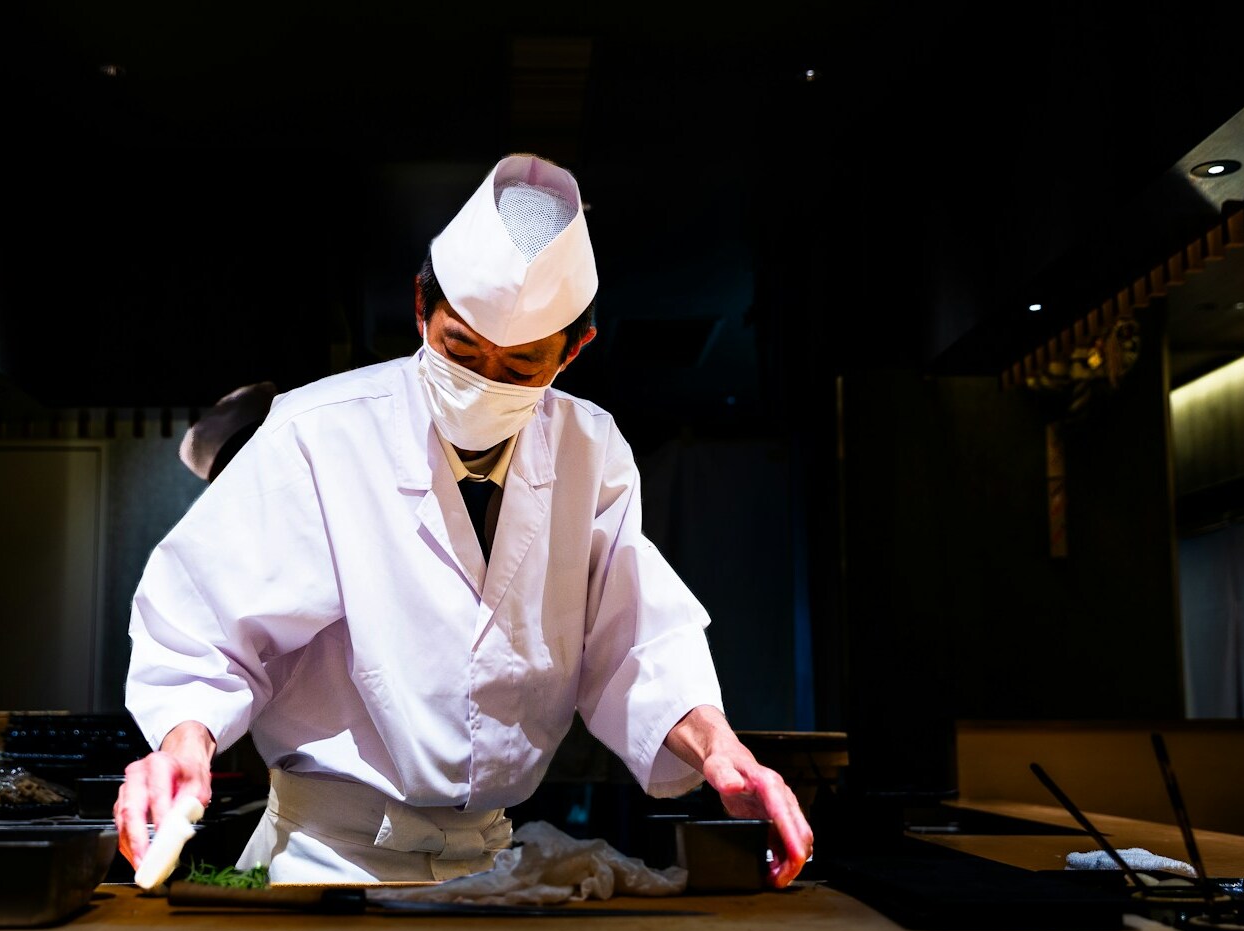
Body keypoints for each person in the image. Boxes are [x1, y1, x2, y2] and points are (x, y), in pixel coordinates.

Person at [115, 153, 813, 888]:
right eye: (460, 349)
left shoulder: (590, 447)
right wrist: (183, 743)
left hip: (485, 862)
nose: (484, 382)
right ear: (422, 308)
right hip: (324, 859)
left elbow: (632, 636)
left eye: (518, 370)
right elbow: (203, 627)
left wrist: (718, 750)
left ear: (573, 350)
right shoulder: (314, 431)